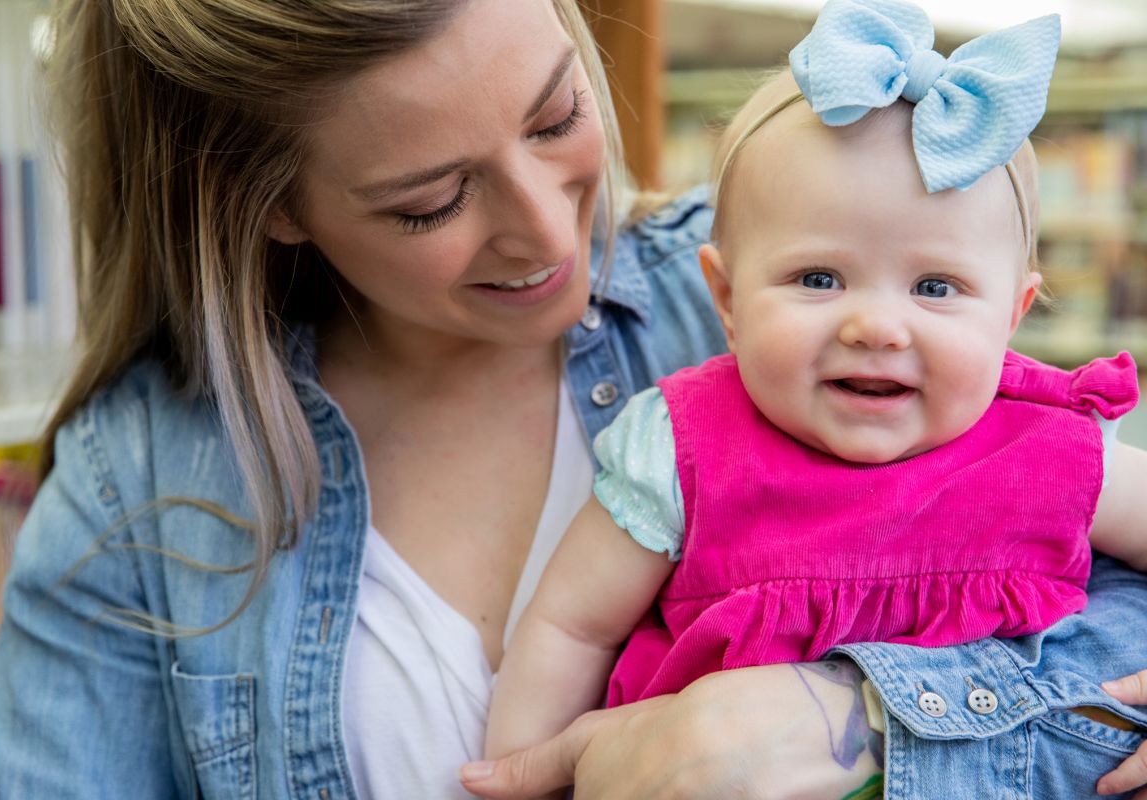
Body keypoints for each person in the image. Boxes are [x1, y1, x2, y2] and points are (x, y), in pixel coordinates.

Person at [0, 1, 1147, 799]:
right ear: (272, 205)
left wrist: (850, 715)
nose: (546, 231)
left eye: (555, 116)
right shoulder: (139, 493)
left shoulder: (837, 328)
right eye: (429, 200)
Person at [479, 1, 1147, 798]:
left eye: (936, 287)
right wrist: (527, 772)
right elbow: (570, 626)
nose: (874, 325)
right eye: (818, 279)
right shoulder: (682, 448)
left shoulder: (1056, 453)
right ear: (725, 297)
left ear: (1012, 312)